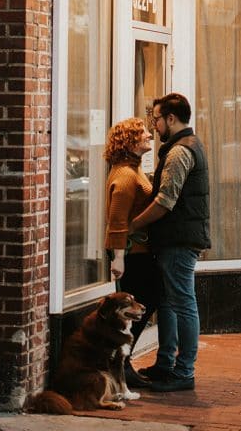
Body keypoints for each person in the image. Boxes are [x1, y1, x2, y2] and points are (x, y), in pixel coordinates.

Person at [128, 92, 210, 393]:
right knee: (169, 302)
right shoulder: (186, 145)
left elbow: (165, 201)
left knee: (183, 303)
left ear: (171, 118)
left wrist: (133, 224)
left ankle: (184, 371)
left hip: (178, 241)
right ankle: (165, 365)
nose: (154, 126)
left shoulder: (179, 151)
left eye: (156, 119)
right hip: (175, 239)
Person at [104, 117, 161, 389]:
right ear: (130, 141)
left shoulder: (133, 168)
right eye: (143, 132)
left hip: (137, 251)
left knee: (146, 301)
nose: (149, 135)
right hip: (131, 253)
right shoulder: (126, 175)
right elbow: (117, 220)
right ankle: (121, 361)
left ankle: (122, 361)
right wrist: (118, 258)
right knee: (141, 304)